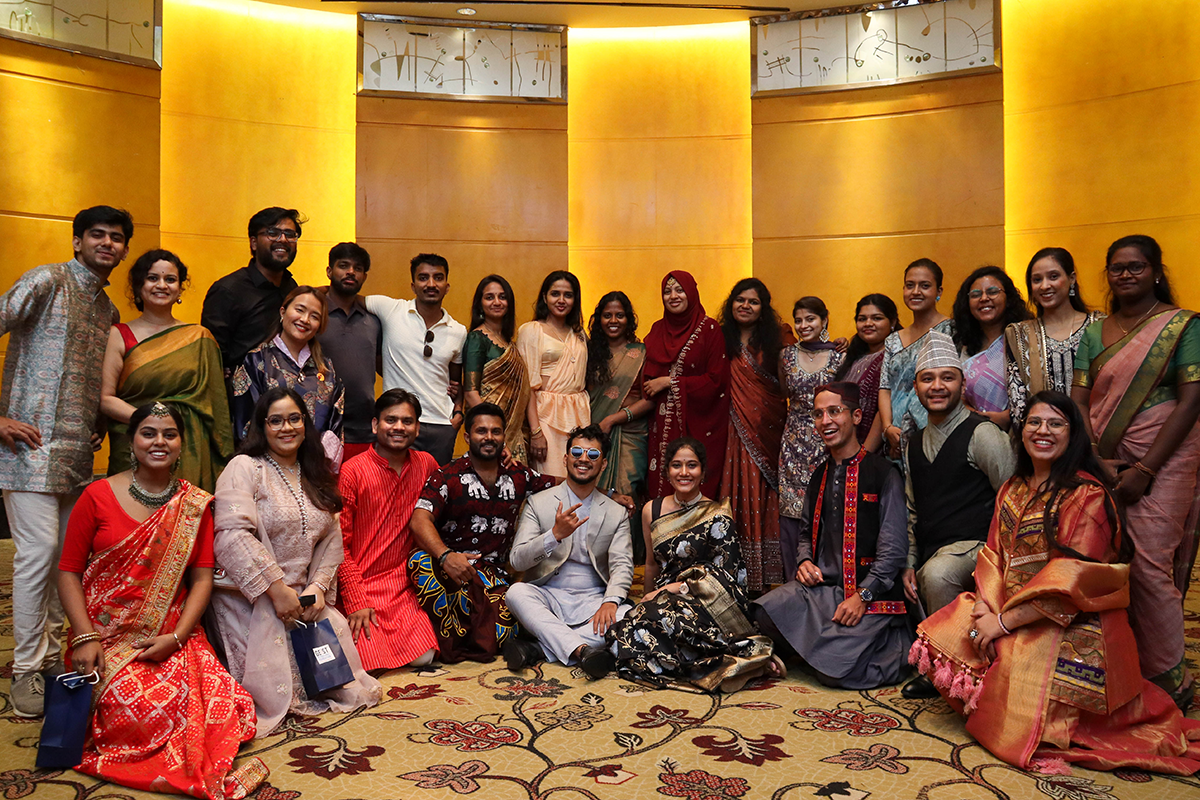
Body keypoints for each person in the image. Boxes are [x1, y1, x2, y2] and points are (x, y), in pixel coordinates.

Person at [912, 391, 1200, 774]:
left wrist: (1002, 624)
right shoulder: (1012, 488)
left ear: (1072, 434)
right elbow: (993, 556)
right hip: (1008, 608)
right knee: (948, 627)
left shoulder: (1087, 496)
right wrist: (986, 607)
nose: (1042, 431)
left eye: (1055, 423)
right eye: (1034, 422)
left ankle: (1028, 715)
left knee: (1014, 659)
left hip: (1072, 621)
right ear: (1022, 431)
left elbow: (1073, 583)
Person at [57, 402, 265, 798]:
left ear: (181, 443)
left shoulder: (194, 504)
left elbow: (202, 579)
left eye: (169, 434)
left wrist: (178, 636)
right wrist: (85, 636)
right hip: (106, 637)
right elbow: (67, 570)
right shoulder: (97, 495)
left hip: (172, 633)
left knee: (227, 705)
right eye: (148, 433)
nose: (159, 442)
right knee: (136, 713)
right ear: (131, 440)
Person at [0, 206, 127, 717]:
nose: (108, 244)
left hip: (76, 455)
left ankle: (52, 657)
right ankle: (26, 670)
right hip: (25, 449)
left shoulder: (107, 309)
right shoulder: (47, 281)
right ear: (77, 241)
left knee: (65, 562)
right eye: (97, 235)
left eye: (117, 238)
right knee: (39, 552)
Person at [1072, 234, 1200, 710]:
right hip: (1102, 459)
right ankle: (1123, 666)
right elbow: (1081, 401)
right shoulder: (1093, 331)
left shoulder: (1182, 326)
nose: (1126, 275)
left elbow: (1192, 400)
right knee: (1107, 561)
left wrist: (1146, 468)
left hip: (1163, 461)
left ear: (1156, 270)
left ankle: (1170, 677)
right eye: (1117, 268)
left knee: (1148, 566)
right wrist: (1097, 461)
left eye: (1136, 267)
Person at [210, 388, 380, 737]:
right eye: (275, 420)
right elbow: (230, 535)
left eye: (294, 418)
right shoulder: (245, 468)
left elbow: (333, 538)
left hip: (304, 597)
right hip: (250, 595)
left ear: (305, 424)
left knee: (340, 682)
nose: (286, 428)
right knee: (277, 694)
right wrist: (276, 589)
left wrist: (317, 588)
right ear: (261, 427)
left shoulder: (314, 472)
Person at [753, 383, 911, 689]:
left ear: (855, 417)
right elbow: (803, 535)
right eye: (818, 414)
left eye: (834, 411)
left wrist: (863, 596)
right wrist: (803, 561)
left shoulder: (883, 473)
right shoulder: (819, 475)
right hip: (822, 593)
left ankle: (888, 650)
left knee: (836, 674)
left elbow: (893, 550)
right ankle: (826, 648)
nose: (825, 421)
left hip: (868, 596)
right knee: (763, 613)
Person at [607, 438, 779, 693]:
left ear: (702, 473)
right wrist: (647, 597)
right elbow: (652, 564)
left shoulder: (716, 515)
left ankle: (739, 659)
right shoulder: (651, 510)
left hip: (703, 602)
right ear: (667, 472)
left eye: (692, 466)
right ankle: (726, 667)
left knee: (655, 627)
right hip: (662, 599)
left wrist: (674, 589)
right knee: (626, 629)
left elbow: (728, 576)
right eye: (677, 465)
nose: (684, 472)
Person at [900, 330, 1015, 699]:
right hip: (934, 544)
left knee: (937, 574)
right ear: (916, 386)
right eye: (927, 378)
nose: (937, 386)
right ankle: (939, 663)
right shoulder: (914, 441)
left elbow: (1014, 499)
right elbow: (912, 509)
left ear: (962, 383)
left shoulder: (982, 433)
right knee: (915, 573)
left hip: (980, 545)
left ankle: (961, 669)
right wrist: (908, 562)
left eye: (947, 377)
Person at [407, 403, 557, 663]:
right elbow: (419, 520)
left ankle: (464, 635)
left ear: (504, 437)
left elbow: (564, 485)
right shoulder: (446, 475)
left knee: (510, 625)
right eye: (481, 431)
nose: (489, 437)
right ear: (467, 437)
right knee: (419, 562)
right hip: (452, 572)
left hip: (494, 577)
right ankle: (454, 635)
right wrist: (446, 556)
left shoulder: (519, 474)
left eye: (496, 432)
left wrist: (611, 494)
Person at [99, 249, 234, 493]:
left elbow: (217, 410)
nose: (161, 285)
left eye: (170, 279)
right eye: (152, 278)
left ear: (180, 289)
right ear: (138, 286)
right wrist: (152, 423)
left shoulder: (199, 337)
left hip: (190, 450)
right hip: (133, 445)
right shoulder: (119, 335)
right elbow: (106, 399)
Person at [505, 425, 634, 677]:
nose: (584, 459)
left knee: (628, 615)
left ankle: (539, 650)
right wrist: (554, 535)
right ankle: (583, 651)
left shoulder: (616, 512)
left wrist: (610, 601)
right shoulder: (539, 502)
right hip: (549, 595)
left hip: (594, 600)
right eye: (577, 452)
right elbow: (517, 560)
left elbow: (622, 564)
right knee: (516, 592)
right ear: (565, 458)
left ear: (604, 464)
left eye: (593, 455)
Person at [336, 389, 439, 672]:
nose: (398, 428)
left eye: (407, 421)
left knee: (425, 656)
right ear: (374, 425)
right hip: (363, 583)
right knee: (368, 665)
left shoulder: (427, 464)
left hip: (403, 586)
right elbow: (338, 546)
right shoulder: (352, 471)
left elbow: (455, 489)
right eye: (390, 420)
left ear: (417, 427)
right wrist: (355, 600)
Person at [717, 278, 790, 591]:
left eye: (753, 301)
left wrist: (833, 343)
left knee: (764, 494)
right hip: (731, 429)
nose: (745, 306)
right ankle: (733, 575)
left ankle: (769, 578)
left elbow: (800, 368)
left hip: (769, 429)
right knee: (733, 490)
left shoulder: (777, 339)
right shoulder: (719, 338)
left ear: (764, 309)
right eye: (740, 300)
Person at [366, 254, 466, 465]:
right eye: (423, 278)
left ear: (447, 286)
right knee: (395, 488)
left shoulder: (458, 331)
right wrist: (305, 294)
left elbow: (456, 381)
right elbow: (342, 296)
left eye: (438, 277)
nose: (431, 284)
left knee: (436, 493)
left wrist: (458, 414)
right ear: (413, 285)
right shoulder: (391, 309)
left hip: (441, 425)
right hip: (399, 424)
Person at [230, 286, 344, 465]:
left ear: (319, 326)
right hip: (268, 466)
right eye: (299, 310)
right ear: (283, 311)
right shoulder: (257, 360)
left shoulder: (326, 369)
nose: (305, 320)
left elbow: (335, 422)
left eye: (314, 316)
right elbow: (245, 422)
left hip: (315, 468)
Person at [642, 272, 730, 498]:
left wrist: (670, 382)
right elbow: (646, 379)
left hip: (697, 425)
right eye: (667, 291)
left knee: (692, 481)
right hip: (659, 425)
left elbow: (716, 381)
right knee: (660, 484)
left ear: (691, 292)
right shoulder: (656, 330)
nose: (673, 296)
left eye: (679, 290)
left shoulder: (709, 330)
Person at [779, 297, 844, 579]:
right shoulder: (785, 356)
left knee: (828, 506)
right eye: (799, 320)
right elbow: (785, 394)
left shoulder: (841, 356)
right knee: (792, 513)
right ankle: (796, 581)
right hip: (793, 442)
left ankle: (828, 578)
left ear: (824, 320)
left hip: (828, 439)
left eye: (810, 319)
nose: (804, 326)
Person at [1005, 248, 1105, 424]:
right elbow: (1018, 402)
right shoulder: (1019, 334)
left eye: (1053, 276)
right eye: (1037, 280)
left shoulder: (1099, 325)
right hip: (1040, 439)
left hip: (1096, 437)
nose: (1044, 286)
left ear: (1071, 278)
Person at [201, 207, 301, 372]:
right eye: (273, 233)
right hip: (242, 392)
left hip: (284, 390)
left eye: (290, 235)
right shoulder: (228, 290)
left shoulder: (290, 286)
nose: (283, 239)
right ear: (253, 243)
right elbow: (212, 357)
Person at [879, 258, 954, 459]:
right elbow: (885, 388)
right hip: (894, 439)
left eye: (925, 286)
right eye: (910, 285)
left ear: (939, 292)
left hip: (935, 433)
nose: (916, 292)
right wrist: (887, 428)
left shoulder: (950, 330)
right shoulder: (893, 340)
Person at [517, 271, 590, 477]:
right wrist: (536, 432)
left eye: (568, 295)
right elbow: (528, 386)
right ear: (544, 297)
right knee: (552, 476)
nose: (561, 300)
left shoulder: (580, 334)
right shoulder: (532, 330)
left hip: (578, 413)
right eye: (555, 294)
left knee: (579, 475)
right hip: (545, 415)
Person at [318, 242, 382, 462]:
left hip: (363, 428)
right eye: (343, 266)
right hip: (321, 425)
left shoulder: (373, 320)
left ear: (364, 276)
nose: (350, 272)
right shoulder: (314, 314)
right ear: (329, 271)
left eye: (357, 268)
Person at [586, 291, 652, 501]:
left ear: (629, 319)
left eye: (620, 315)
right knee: (590, 490)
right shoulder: (588, 352)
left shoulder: (642, 352)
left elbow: (649, 398)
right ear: (599, 320)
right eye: (607, 315)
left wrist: (613, 419)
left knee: (627, 492)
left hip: (631, 435)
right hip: (595, 433)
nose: (613, 321)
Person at [951, 266, 1032, 430]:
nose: (984, 298)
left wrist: (1009, 416)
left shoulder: (1026, 339)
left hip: (1021, 433)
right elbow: (954, 393)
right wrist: (973, 415)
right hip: (973, 431)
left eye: (993, 292)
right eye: (975, 295)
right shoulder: (960, 346)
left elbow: (1039, 387)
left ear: (1008, 297)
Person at [463, 274, 531, 464]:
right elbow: (470, 392)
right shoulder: (478, 338)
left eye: (502, 297)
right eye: (489, 297)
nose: (497, 302)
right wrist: (493, 430)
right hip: (491, 433)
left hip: (514, 430)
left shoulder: (510, 343)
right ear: (480, 304)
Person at [835, 294, 903, 451]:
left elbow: (886, 407)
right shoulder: (853, 356)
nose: (868, 324)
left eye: (877, 318)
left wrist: (864, 454)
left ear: (892, 322)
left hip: (875, 450)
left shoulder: (896, 356)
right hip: (845, 447)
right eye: (862, 319)